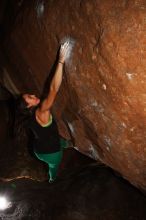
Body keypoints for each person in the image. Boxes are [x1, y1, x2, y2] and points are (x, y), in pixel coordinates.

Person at [15, 42, 72, 183]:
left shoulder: (30, 116)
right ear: (29, 106)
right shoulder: (42, 111)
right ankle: (52, 179)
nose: (34, 95)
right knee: (54, 166)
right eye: (30, 98)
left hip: (39, 150)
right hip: (51, 154)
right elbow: (53, 89)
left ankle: (66, 144)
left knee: (59, 140)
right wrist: (60, 61)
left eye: (30, 94)